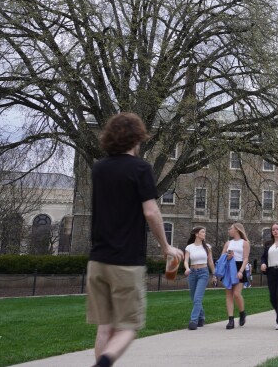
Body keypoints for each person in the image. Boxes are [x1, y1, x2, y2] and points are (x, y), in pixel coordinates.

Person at [86, 112, 183, 367]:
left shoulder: (99, 169)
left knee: (104, 328)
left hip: (97, 260)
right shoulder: (140, 169)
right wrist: (165, 247)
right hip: (126, 261)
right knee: (128, 327)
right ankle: (103, 363)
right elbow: (151, 211)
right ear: (136, 138)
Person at [183, 226, 215, 330]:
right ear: (197, 234)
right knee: (194, 298)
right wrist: (187, 268)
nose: (204, 234)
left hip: (203, 273)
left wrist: (214, 275)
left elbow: (210, 262)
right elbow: (185, 261)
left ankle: (193, 321)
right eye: (202, 232)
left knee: (197, 298)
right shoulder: (189, 247)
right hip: (192, 273)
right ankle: (201, 318)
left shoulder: (207, 247)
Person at [220, 222, 250, 329]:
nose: (229, 230)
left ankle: (242, 312)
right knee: (229, 295)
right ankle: (231, 320)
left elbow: (246, 258)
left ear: (237, 229)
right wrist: (227, 257)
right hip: (229, 267)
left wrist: (241, 271)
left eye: (230, 228)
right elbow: (222, 257)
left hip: (239, 267)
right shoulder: (228, 243)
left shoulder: (245, 243)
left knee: (237, 294)